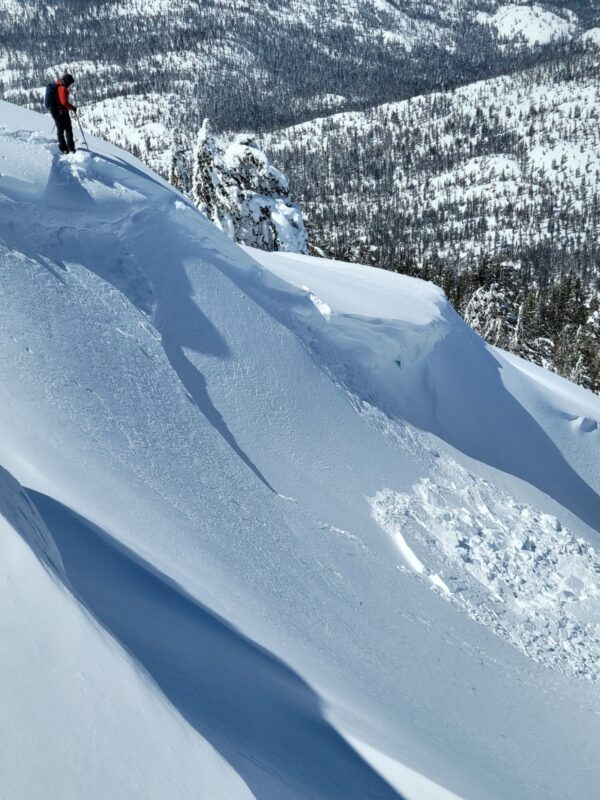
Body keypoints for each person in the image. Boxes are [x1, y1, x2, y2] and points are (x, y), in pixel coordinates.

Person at [51, 73, 77, 154]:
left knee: (60, 129)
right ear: (68, 81)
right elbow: (64, 102)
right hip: (62, 112)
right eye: (70, 83)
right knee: (68, 129)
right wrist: (72, 107)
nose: (70, 85)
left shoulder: (59, 84)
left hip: (56, 111)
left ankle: (64, 148)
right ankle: (70, 148)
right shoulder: (62, 88)